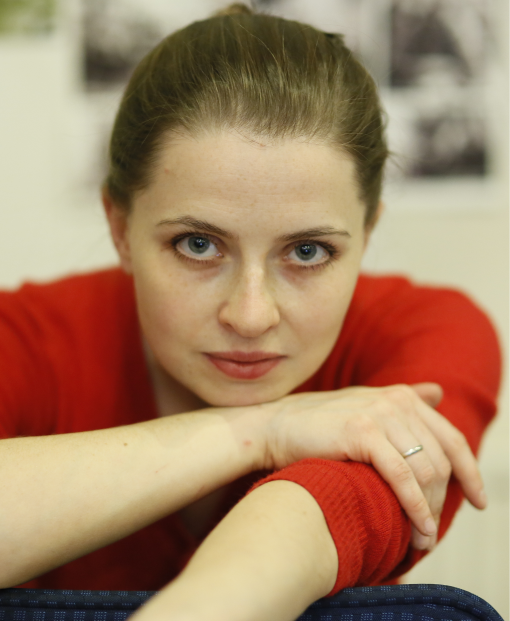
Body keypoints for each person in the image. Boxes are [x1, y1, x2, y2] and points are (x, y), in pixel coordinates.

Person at [0, 3, 501, 621]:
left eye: (308, 251)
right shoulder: (25, 338)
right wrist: (262, 431)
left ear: (367, 232)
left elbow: (311, 523)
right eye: (198, 245)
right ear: (120, 227)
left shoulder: (428, 336)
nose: (251, 315)